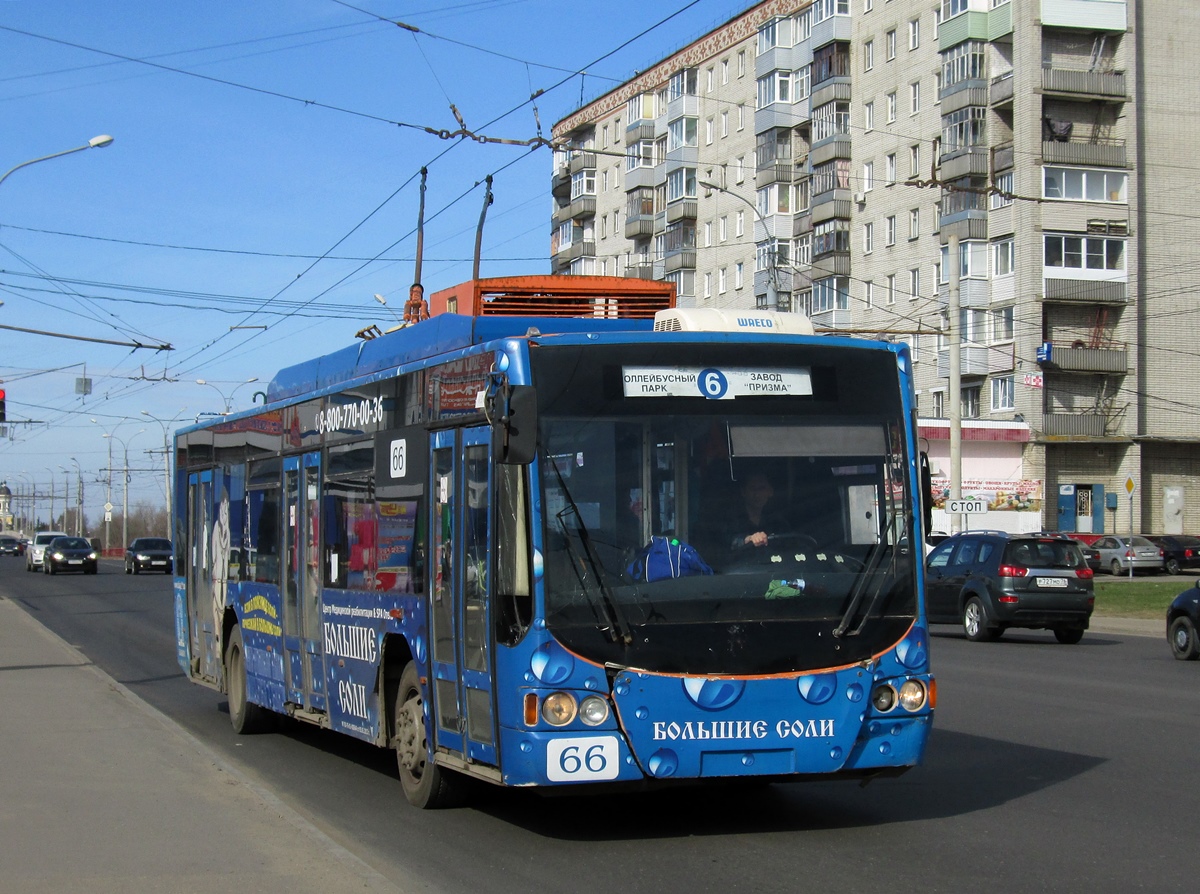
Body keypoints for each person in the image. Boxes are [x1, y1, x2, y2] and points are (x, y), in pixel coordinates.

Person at [728, 472, 788, 550]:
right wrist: (748, 539)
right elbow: (727, 541)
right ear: (743, 492)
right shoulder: (732, 518)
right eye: (752, 488)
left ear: (770, 491)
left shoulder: (777, 520)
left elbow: (789, 542)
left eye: (761, 488)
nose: (757, 494)